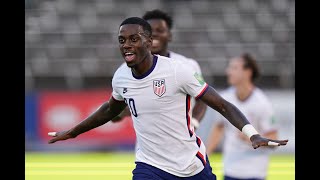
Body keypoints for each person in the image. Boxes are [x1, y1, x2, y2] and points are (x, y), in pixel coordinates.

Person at [48, 17, 288, 180]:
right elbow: (110, 109)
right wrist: (73, 132)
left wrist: (251, 133)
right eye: (122, 40)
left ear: (149, 42)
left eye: (134, 39)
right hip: (149, 166)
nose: (127, 45)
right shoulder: (121, 77)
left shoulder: (177, 71)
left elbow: (222, 104)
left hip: (191, 165)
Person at [112, 9, 207, 129]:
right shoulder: (126, 70)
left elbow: (203, 98)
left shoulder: (187, 65)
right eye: (150, 31)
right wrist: (119, 112)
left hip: (181, 141)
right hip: (145, 145)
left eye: (160, 30)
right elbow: (122, 106)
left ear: (170, 35)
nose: (155, 34)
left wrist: (194, 122)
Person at [206, 53, 280, 180]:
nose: (228, 71)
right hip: (230, 170)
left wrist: (251, 137)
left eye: (234, 68)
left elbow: (274, 140)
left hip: (254, 172)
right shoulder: (225, 98)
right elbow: (218, 128)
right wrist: (206, 155)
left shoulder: (262, 103)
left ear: (248, 72)